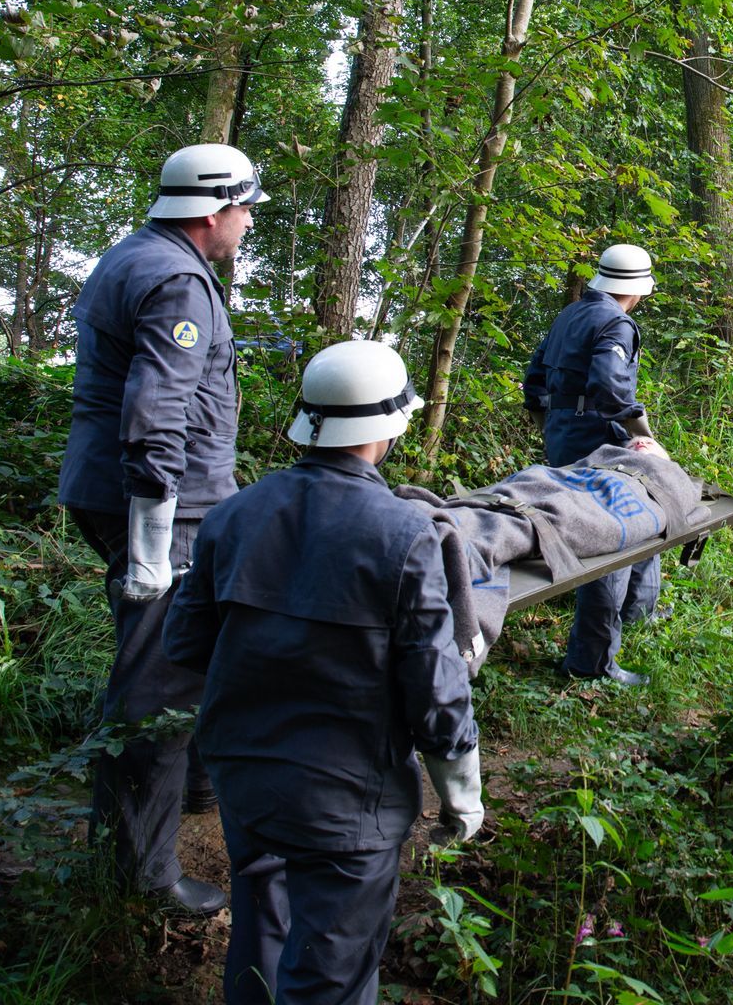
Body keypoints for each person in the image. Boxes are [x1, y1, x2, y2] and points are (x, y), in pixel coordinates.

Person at [165, 340, 482, 1005]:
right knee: (332, 977)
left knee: (261, 934)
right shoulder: (405, 534)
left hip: (246, 780)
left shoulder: (232, 514)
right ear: (390, 427)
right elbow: (435, 689)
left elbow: (186, 644)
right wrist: (462, 794)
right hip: (348, 804)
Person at [57, 141, 267, 915]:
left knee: (200, 645)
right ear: (214, 211)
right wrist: (152, 545)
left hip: (141, 498)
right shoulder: (178, 281)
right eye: (245, 208)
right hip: (164, 510)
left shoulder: (136, 254)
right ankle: (139, 876)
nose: (249, 222)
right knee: (157, 683)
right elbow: (156, 416)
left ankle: (195, 786)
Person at [522, 243, 664, 686]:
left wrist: (553, 428)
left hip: (564, 435)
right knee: (613, 538)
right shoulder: (616, 322)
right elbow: (610, 387)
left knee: (643, 513)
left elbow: (534, 380)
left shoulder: (570, 315)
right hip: (599, 438)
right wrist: (643, 435)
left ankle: (638, 609)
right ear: (636, 290)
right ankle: (591, 662)